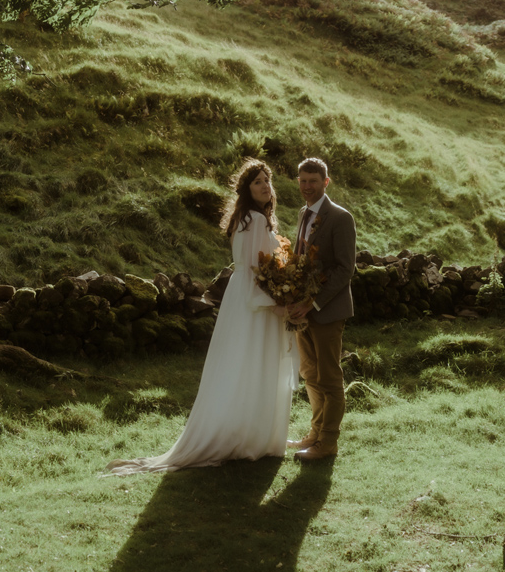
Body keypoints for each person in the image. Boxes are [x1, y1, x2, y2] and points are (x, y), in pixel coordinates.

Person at [103, 159, 299, 475]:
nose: (265, 186)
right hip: (256, 305)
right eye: (257, 182)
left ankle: (254, 433)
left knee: (244, 368)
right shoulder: (255, 220)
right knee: (254, 365)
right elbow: (254, 274)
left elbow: (258, 270)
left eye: (267, 180)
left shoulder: (250, 219)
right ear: (247, 191)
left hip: (246, 301)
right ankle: (252, 437)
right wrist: (277, 303)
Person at [286, 157, 357, 462]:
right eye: (302, 181)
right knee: (310, 374)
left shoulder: (341, 218)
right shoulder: (303, 213)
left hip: (326, 310)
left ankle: (328, 442)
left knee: (329, 377)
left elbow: (345, 269)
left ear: (326, 182)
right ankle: (315, 433)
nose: (307, 187)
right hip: (302, 313)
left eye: (313, 181)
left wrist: (312, 303)